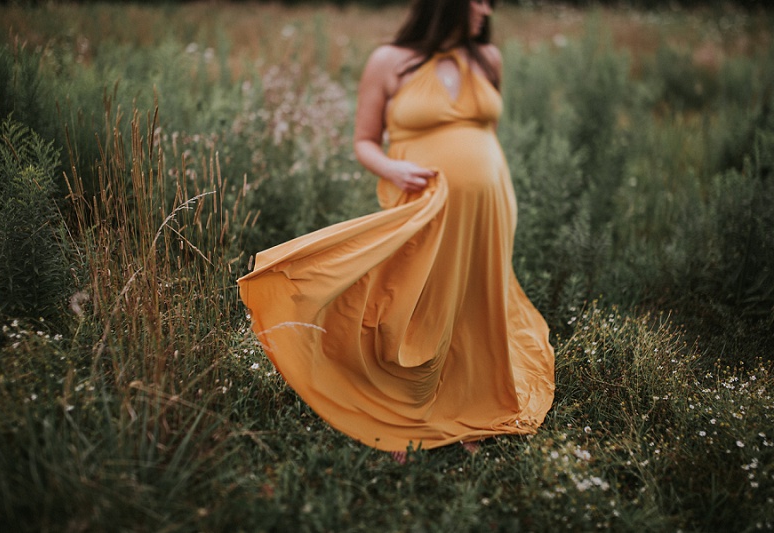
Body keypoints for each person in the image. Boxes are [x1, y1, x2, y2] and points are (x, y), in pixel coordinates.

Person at [238, 0, 555, 463]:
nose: (486, 9)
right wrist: (394, 168)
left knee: (475, 300)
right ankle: (398, 410)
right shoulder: (390, 62)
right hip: (423, 205)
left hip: (488, 208)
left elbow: (484, 132)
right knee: (415, 301)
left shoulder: (487, 58)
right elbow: (365, 141)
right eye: (478, 0)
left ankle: (478, 404)